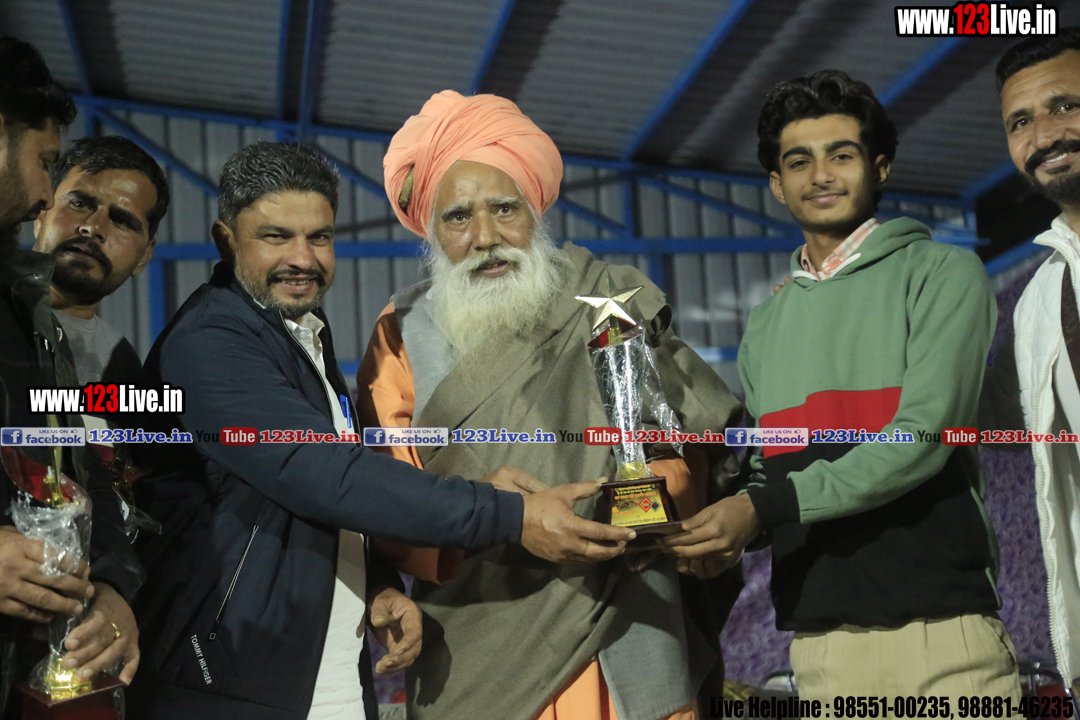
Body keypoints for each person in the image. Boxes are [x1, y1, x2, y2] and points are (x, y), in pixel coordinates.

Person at [127, 141, 634, 720]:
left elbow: (301, 508)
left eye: (319, 237)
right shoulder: (210, 343)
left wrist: (376, 585)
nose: (302, 259)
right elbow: (326, 474)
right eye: (275, 237)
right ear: (226, 241)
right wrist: (511, 514)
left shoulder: (298, 331)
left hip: (318, 675)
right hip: (224, 685)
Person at [359, 89, 743, 720]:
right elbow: (387, 495)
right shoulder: (400, 332)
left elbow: (687, 445)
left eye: (504, 208)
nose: (486, 237)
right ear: (432, 232)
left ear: (534, 208)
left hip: (625, 628)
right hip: (477, 645)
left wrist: (646, 497)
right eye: (457, 218)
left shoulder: (608, 298)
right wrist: (500, 516)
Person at [665, 70, 1021, 700]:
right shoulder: (766, 324)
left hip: (940, 632)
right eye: (799, 161)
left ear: (880, 168)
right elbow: (771, 471)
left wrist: (760, 510)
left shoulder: (941, 272)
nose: (820, 175)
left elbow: (923, 438)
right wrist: (729, 535)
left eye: (841, 155)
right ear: (777, 185)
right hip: (818, 647)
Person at [0, 35, 144, 718]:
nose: (40, 196)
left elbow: (86, 475)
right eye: (46, 168)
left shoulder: (36, 326)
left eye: (124, 221)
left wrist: (114, 585)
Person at [981, 28, 1080, 692]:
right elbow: (992, 417)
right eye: (1020, 121)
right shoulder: (1040, 296)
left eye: (1065, 105)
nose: (1044, 134)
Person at [33, 135, 169, 388]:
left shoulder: (121, 363)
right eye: (79, 204)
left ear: (144, 256)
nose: (94, 227)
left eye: (122, 221)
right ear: (41, 217)